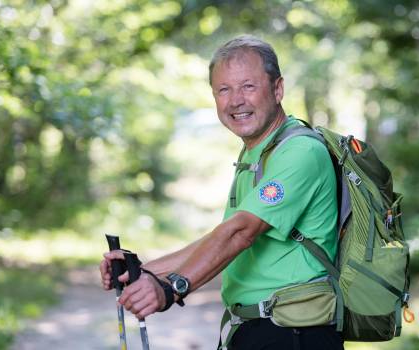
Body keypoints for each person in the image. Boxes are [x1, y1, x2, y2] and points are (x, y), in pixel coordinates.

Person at [100, 35, 343, 350]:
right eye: (224, 90)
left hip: (294, 334)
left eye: (248, 86)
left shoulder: (300, 152)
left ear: (278, 89)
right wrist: (145, 270)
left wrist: (172, 287)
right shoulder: (256, 154)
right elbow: (219, 238)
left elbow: (239, 234)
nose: (235, 100)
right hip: (257, 329)